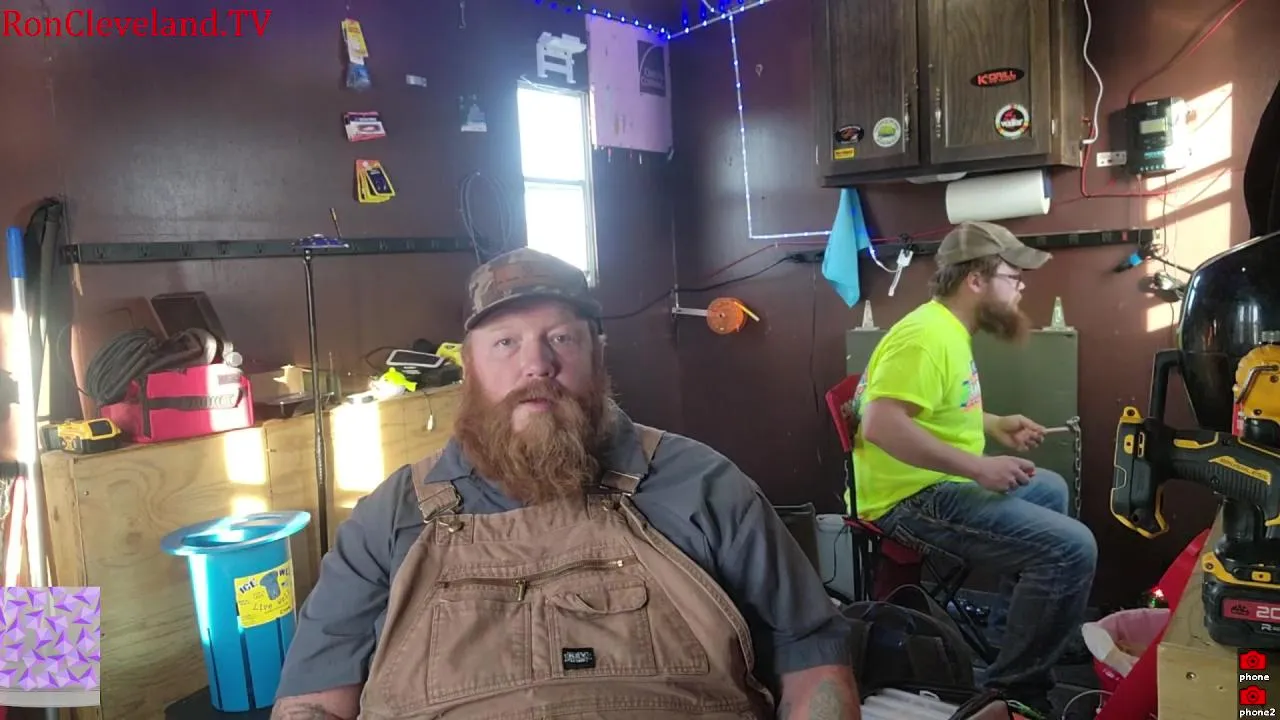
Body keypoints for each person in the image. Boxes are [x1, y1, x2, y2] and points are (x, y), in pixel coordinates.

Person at [272, 248, 860, 720]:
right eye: (506, 342)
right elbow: (314, 702)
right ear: (470, 366)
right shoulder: (390, 519)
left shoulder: (705, 487)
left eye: (561, 338)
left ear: (597, 355)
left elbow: (814, 664)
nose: (537, 365)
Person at [852, 221, 1098, 716]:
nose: (1021, 288)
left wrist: (995, 423)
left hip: (938, 482)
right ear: (976, 281)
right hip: (909, 498)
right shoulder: (925, 337)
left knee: (1048, 488)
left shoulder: (947, 329)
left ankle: (1014, 636)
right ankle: (1014, 692)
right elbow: (880, 424)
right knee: (1072, 549)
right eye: (1013, 277)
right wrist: (979, 468)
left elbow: (935, 408)